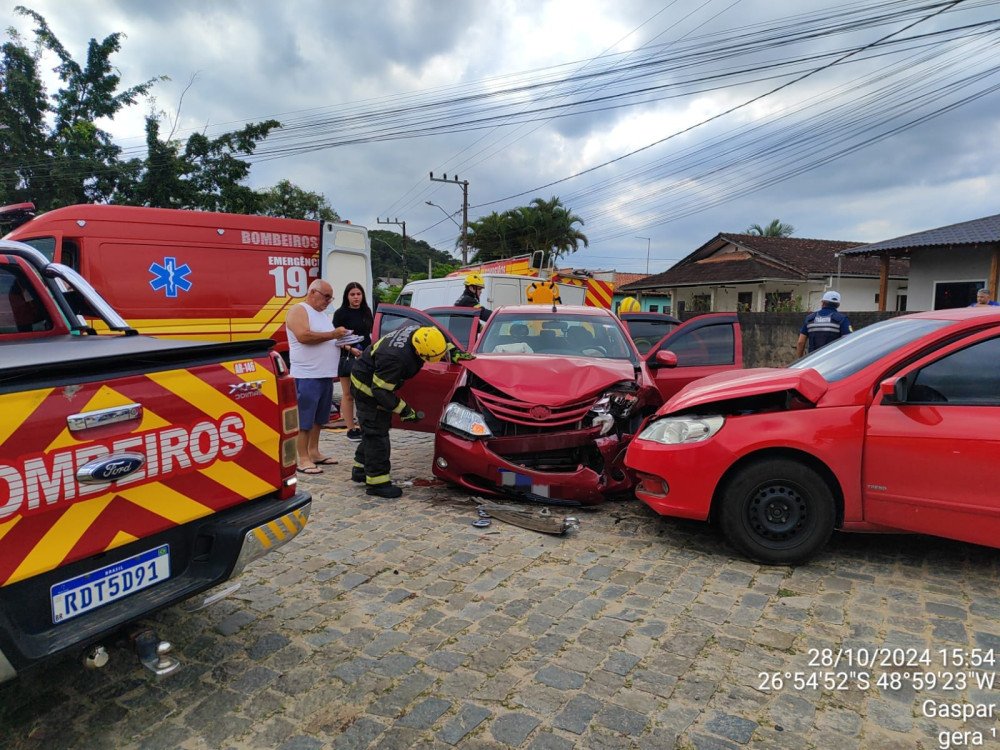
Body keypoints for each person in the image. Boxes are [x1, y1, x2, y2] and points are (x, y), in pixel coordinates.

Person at [350, 325, 473, 498]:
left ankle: (361, 469)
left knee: (376, 430)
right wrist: (404, 410)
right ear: (418, 351)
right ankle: (377, 483)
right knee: (377, 434)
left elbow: (440, 337)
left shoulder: (424, 333)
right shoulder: (394, 358)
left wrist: (453, 352)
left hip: (375, 378)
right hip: (367, 388)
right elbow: (380, 391)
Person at [285, 280, 348, 474]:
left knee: (319, 418)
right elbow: (303, 336)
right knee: (305, 419)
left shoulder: (322, 315)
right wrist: (333, 334)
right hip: (307, 375)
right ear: (313, 292)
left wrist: (346, 343)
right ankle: (302, 458)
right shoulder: (299, 310)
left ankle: (314, 451)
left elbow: (327, 339)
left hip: (324, 374)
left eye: (331, 297)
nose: (328, 301)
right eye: (326, 296)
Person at [332, 281, 373, 442]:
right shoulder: (340, 313)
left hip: (365, 356)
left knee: (363, 393)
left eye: (358, 294)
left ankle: (364, 426)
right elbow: (335, 338)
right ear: (347, 296)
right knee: (348, 394)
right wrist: (351, 348)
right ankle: (351, 428)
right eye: (352, 294)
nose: (356, 297)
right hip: (347, 356)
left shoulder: (367, 311)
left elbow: (369, 334)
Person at [796, 290, 852, 357]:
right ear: (838, 305)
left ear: (822, 302)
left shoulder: (810, 319)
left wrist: (801, 359)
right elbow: (849, 341)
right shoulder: (842, 319)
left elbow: (800, 342)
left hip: (813, 359)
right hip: (833, 360)